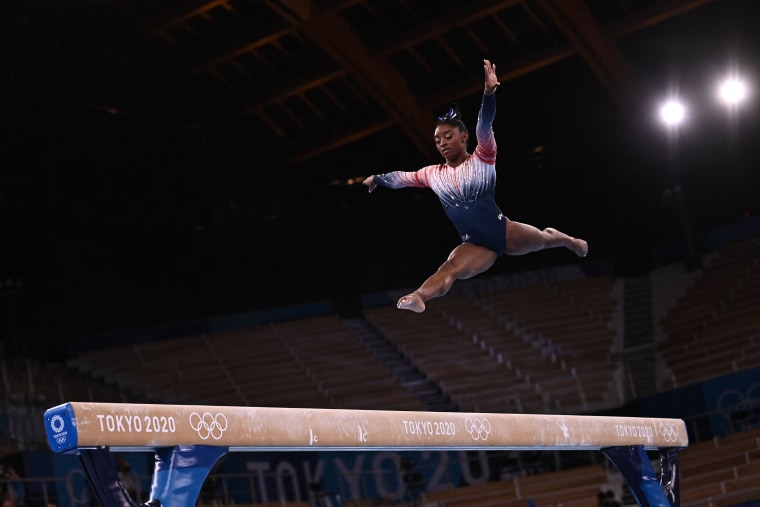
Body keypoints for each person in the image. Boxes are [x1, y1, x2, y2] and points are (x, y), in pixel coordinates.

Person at [363, 59, 588, 313]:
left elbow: (484, 124)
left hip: (503, 231)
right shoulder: (432, 174)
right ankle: (419, 296)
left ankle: (570, 241)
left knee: (545, 239)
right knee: (450, 267)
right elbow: (402, 178)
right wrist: (378, 179)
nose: (443, 143)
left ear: (464, 137)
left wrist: (489, 94)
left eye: (448, 137)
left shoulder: (484, 157)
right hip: (474, 244)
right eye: (438, 140)